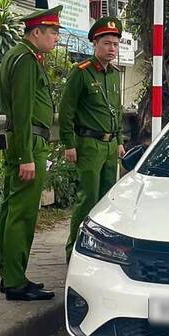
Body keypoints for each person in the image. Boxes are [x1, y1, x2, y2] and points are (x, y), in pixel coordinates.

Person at [0, 6, 61, 300]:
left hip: (28, 140)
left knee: (13, 210)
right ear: (37, 33)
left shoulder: (24, 56)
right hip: (29, 141)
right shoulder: (25, 60)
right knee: (21, 213)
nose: (57, 38)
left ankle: (11, 274)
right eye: (53, 32)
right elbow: (22, 111)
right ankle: (14, 281)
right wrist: (26, 156)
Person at [59, 16, 125, 260]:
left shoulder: (115, 74)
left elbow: (116, 110)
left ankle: (102, 253)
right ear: (95, 44)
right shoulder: (82, 73)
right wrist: (69, 143)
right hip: (88, 144)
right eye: (107, 43)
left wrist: (119, 141)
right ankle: (74, 254)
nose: (111, 49)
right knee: (87, 199)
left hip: (109, 146)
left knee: (107, 201)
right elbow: (67, 111)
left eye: (116, 44)